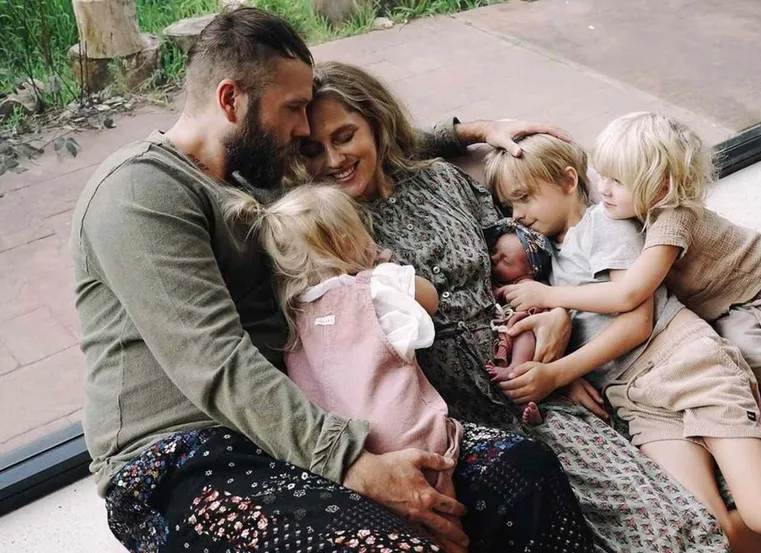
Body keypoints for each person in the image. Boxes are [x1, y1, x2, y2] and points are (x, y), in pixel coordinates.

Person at [72, 8, 583, 552]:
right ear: (230, 101)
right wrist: (355, 464)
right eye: (292, 109)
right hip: (182, 456)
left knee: (523, 472)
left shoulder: (249, 180)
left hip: (295, 427)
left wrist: (469, 131)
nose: (301, 128)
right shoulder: (141, 194)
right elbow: (216, 363)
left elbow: (375, 138)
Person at [297, 60, 731, 552]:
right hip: (439, 410)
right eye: (311, 149)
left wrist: (556, 315)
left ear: (376, 126)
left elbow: (526, 245)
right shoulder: (318, 223)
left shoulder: (441, 180)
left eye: (345, 136)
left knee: (669, 525)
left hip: (526, 372)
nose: (332, 160)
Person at [502, 112, 761, 545]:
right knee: (719, 520)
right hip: (680, 346)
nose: (604, 188)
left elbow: (630, 301)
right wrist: (567, 361)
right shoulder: (607, 219)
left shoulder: (661, 220)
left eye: (616, 180)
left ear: (660, 187)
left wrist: (551, 309)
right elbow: (593, 316)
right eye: (602, 176)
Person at [223, 183, 593, 552]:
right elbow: (429, 299)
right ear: (346, 238)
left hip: (352, 455)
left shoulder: (295, 319)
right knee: (447, 518)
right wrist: (384, 265)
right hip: (414, 439)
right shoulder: (375, 284)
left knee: (422, 534)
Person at [482, 218, 557, 425]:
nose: (494, 259)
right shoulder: (500, 276)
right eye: (495, 252)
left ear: (529, 270)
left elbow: (506, 296)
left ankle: (514, 369)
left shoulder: (526, 283)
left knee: (523, 330)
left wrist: (501, 291)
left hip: (528, 333)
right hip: (507, 332)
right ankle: (528, 408)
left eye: (506, 261)